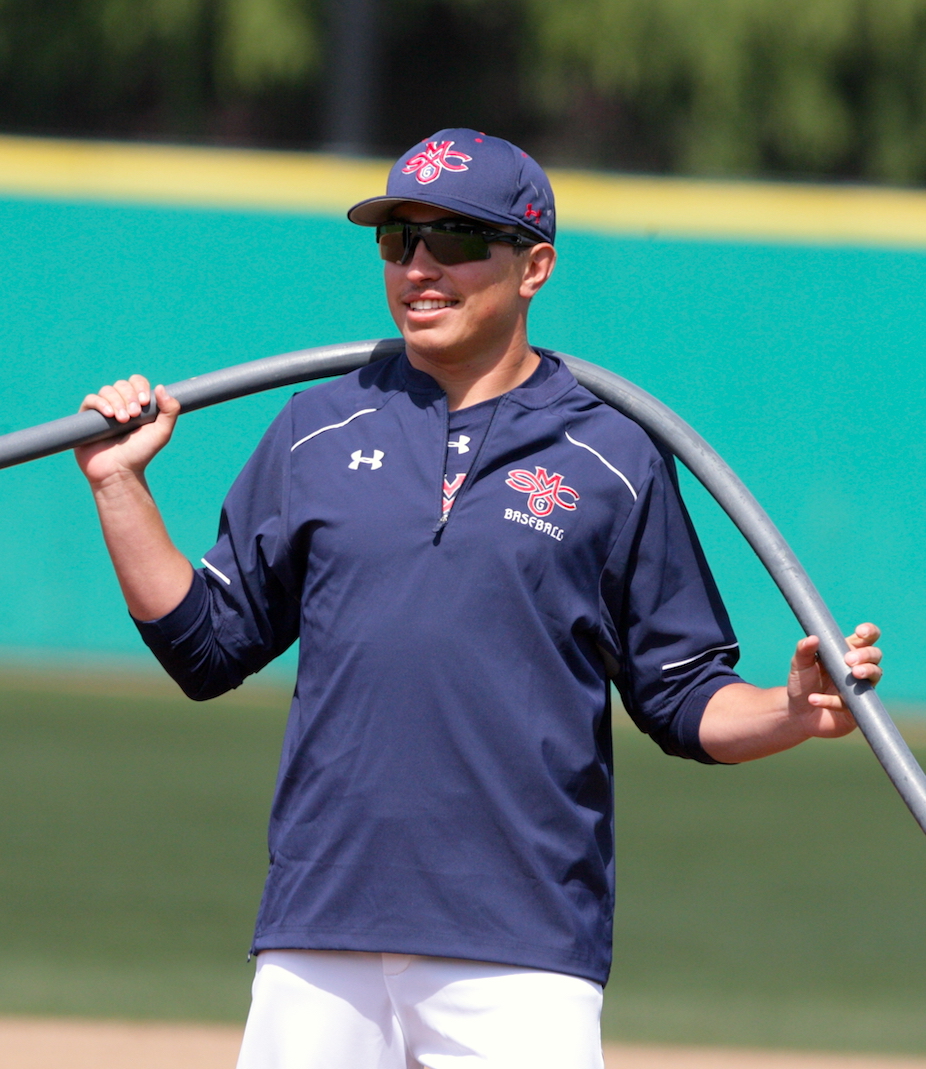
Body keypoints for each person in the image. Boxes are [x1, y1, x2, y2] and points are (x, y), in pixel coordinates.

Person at [75, 129, 882, 1069]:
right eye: (397, 240)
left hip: (523, 947)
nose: (420, 267)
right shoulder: (316, 428)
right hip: (319, 925)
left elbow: (682, 694)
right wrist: (118, 486)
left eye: (455, 240)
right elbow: (206, 649)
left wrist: (791, 710)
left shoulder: (613, 457)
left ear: (533, 265)